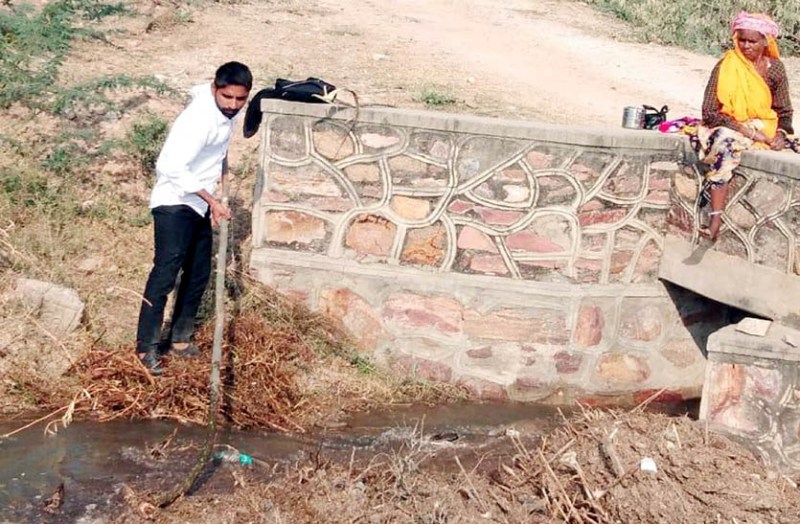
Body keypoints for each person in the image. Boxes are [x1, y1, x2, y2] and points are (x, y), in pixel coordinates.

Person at [135, 61, 252, 374]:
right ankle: (146, 348)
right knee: (165, 273)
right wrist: (212, 201)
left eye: (240, 99)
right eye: (227, 97)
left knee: (199, 272)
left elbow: (219, 148)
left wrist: (213, 193)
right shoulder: (198, 120)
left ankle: (179, 338)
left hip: (197, 202)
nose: (233, 105)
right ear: (215, 89)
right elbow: (169, 166)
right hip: (174, 202)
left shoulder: (223, 111)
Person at [693, 12, 798, 241]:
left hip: (764, 127)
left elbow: (784, 111)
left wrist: (781, 134)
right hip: (731, 126)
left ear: (765, 42)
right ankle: (715, 218)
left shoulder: (775, 69)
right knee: (725, 145)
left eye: (752, 41)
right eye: (742, 40)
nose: (746, 46)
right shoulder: (726, 65)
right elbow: (710, 112)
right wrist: (749, 132)